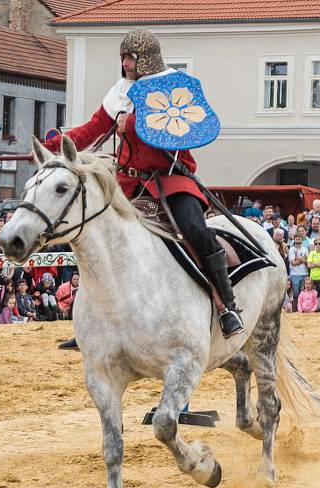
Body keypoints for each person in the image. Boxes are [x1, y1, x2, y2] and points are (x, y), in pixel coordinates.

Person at [41, 29, 243, 342]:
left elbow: (178, 130)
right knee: (99, 238)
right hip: (127, 184)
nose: (124, 63)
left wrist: (131, 123)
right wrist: (55, 144)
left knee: (195, 229)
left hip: (170, 179)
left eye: (130, 57)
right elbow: (93, 129)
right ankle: (95, 323)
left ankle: (227, 305)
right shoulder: (121, 91)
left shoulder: (174, 85)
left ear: (145, 58)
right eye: (122, 57)